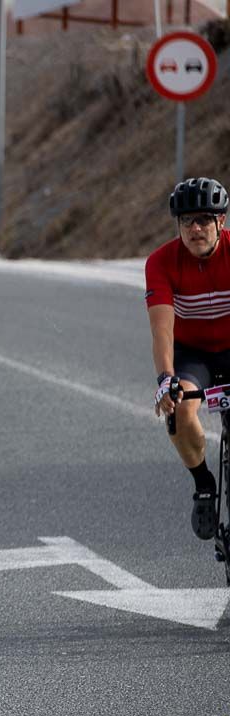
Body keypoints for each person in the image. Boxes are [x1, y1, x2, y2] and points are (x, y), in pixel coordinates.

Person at [149, 177, 230, 543]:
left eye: (203, 219)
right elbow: (163, 330)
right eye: (186, 221)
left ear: (220, 223)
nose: (195, 228)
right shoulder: (161, 262)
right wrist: (166, 378)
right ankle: (203, 485)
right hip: (191, 353)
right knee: (180, 410)